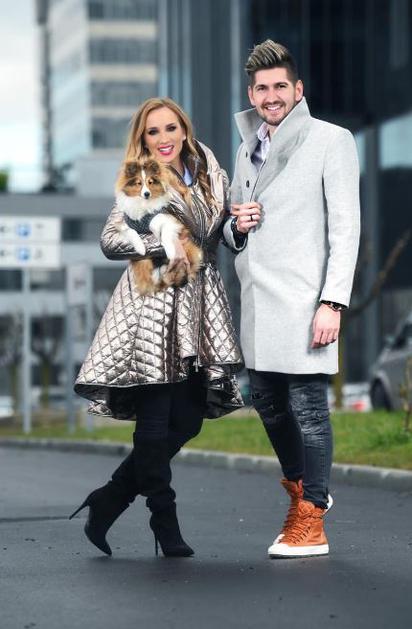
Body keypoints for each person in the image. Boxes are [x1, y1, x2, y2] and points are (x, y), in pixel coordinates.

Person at [71, 97, 243, 558]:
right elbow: (110, 239)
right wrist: (162, 242)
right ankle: (164, 522)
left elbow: (222, 233)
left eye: (170, 128)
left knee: (187, 420)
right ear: (143, 139)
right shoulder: (140, 178)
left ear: (184, 130)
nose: (163, 138)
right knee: (154, 422)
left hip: (200, 306)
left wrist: (239, 227)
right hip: (151, 305)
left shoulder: (211, 173)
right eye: (153, 131)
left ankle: (110, 498)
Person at [223, 40, 360, 558]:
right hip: (259, 301)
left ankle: (313, 517)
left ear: (298, 90)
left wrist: (334, 302)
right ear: (251, 95)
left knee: (308, 407)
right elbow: (233, 227)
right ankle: (304, 491)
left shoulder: (331, 140)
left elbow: (346, 228)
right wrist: (237, 226)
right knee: (267, 403)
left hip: (307, 301)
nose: (271, 96)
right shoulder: (245, 149)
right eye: (262, 88)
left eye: (280, 86)